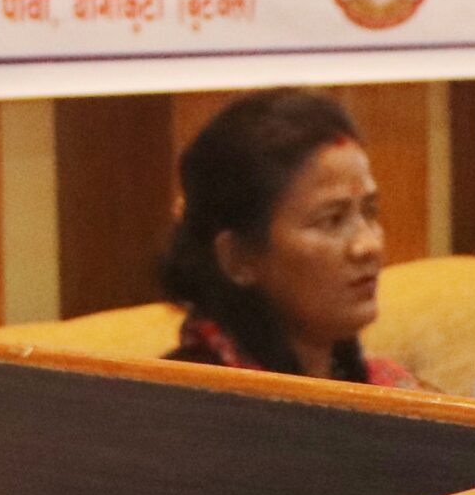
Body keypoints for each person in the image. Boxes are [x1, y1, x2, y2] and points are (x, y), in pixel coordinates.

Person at [156, 88, 424, 387]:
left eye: (370, 212)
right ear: (237, 257)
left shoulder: (393, 388)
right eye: (332, 220)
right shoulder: (182, 401)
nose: (369, 246)